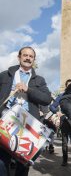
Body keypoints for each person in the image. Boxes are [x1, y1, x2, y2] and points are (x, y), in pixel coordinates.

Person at [0, 46, 52, 176]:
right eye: (25, 55)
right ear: (19, 57)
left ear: (34, 60)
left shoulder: (39, 80)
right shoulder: (4, 75)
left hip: (28, 125)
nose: (28, 58)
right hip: (6, 122)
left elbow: (47, 99)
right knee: (1, 161)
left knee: (23, 164)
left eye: (31, 56)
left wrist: (29, 90)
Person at [50, 79, 71, 169]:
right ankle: (64, 160)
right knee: (64, 142)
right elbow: (52, 106)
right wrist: (57, 112)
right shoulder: (61, 96)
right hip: (64, 121)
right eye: (68, 85)